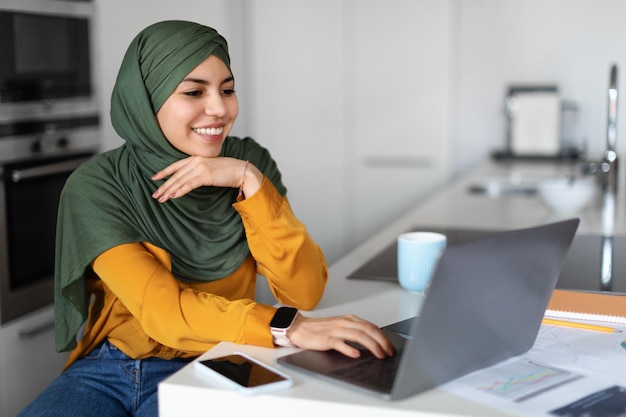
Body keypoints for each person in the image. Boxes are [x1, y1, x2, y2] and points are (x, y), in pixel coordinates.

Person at [18, 20, 394, 417]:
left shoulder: (250, 163)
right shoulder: (98, 186)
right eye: (194, 91)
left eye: (228, 90)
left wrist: (248, 180)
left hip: (218, 361)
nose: (220, 109)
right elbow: (163, 313)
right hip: (109, 367)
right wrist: (288, 326)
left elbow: (304, 291)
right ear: (146, 99)